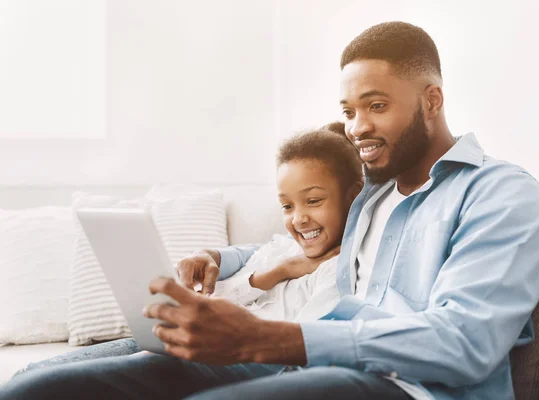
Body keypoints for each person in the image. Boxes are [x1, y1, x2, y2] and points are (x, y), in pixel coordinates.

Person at [1, 21, 539, 400]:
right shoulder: (372, 194)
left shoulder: (499, 194)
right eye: (349, 109)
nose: (357, 126)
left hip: (408, 389)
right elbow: (306, 248)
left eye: (377, 106)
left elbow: (465, 343)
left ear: (432, 100)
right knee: (38, 388)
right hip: (305, 360)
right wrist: (222, 255)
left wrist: (267, 339)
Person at [12, 126, 361, 374]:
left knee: (48, 385)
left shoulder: (338, 268)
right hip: (186, 339)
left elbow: (296, 350)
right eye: (286, 206)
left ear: (353, 195)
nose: (299, 219)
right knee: (32, 370)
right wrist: (270, 275)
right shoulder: (277, 249)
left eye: (313, 201)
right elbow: (207, 299)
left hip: (230, 360)